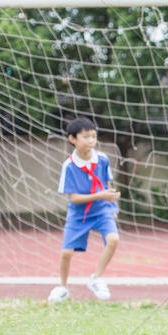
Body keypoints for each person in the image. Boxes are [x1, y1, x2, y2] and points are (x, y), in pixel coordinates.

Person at [48, 117, 121, 303]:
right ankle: (62, 287)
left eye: (94, 136)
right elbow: (74, 198)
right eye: (86, 137)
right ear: (72, 139)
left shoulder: (102, 159)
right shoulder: (69, 166)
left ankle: (96, 278)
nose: (91, 140)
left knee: (113, 239)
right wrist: (101, 195)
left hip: (102, 209)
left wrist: (112, 204)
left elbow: (107, 184)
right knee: (66, 253)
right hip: (79, 213)